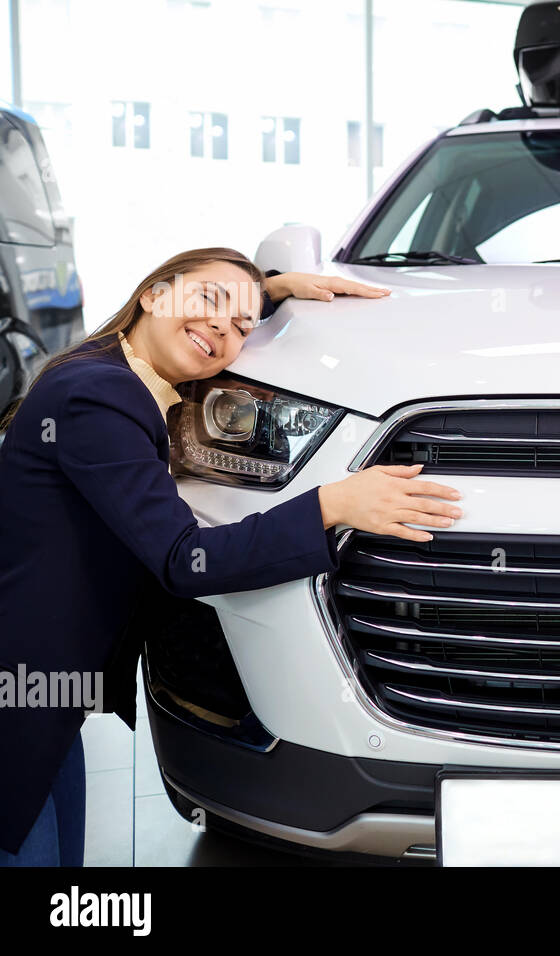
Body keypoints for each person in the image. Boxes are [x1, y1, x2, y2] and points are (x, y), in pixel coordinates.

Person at [0, 247, 463, 865]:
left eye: (244, 327)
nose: (225, 329)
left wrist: (274, 290)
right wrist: (330, 505)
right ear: (153, 296)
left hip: (42, 690)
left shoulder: (109, 367)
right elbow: (185, 559)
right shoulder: (98, 399)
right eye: (212, 304)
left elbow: (210, 312)